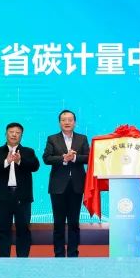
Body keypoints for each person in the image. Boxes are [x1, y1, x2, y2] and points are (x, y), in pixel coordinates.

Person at [0, 122, 40, 257]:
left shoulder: (28, 151)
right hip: (3, 197)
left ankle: (23, 260)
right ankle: (4, 260)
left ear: (21, 135)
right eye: (11, 132)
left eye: (17, 133)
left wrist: (20, 161)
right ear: (6, 134)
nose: (14, 135)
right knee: (3, 230)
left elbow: (35, 166)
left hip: (23, 197)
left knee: (23, 229)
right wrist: (7, 162)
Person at [42, 109, 90, 257]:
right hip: (58, 187)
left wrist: (74, 158)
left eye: (70, 120)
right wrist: (63, 158)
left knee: (74, 222)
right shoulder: (52, 139)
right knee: (59, 223)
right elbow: (46, 158)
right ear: (59, 123)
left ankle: (73, 253)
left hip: (77, 185)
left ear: (75, 123)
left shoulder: (82, 138)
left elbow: (89, 157)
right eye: (64, 120)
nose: (67, 122)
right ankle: (59, 254)